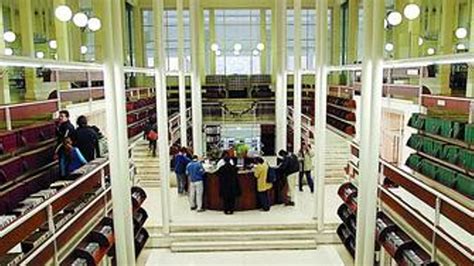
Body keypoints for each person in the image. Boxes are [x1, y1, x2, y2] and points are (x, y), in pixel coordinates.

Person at [55, 110, 76, 177]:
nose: (60, 118)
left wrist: (56, 151)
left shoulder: (67, 127)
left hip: (65, 150)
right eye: (59, 116)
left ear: (67, 117)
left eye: (62, 116)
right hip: (65, 150)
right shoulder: (62, 126)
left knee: (64, 166)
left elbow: (64, 140)